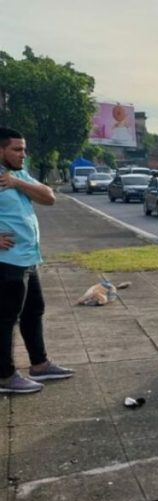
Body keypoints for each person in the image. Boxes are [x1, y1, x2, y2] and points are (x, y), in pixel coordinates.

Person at [0, 127, 75, 394]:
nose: (23, 154)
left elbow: (49, 198)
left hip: (27, 258)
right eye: (17, 149)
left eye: (24, 149)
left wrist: (18, 182)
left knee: (34, 310)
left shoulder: (18, 174)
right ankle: (5, 376)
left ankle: (40, 364)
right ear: (1, 150)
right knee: (6, 318)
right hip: (5, 262)